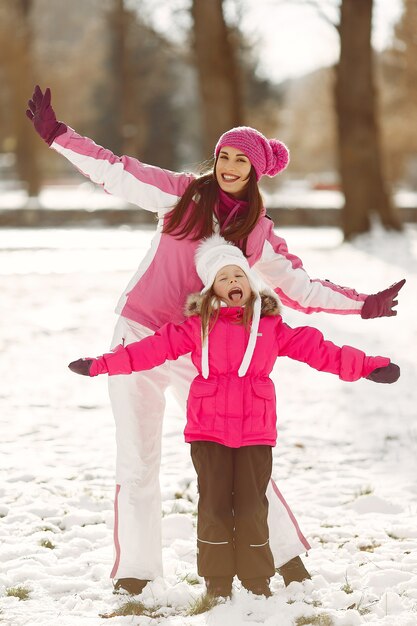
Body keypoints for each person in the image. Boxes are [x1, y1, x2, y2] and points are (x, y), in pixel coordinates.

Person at [26, 85, 405, 594]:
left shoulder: (257, 232)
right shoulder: (183, 193)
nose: (228, 165)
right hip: (140, 332)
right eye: (223, 155)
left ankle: (285, 555)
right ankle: (136, 571)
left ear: (254, 171)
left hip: (201, 347)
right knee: (136, 459)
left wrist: (363, 304)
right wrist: (58, 135)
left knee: (239, 444)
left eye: (239, 160)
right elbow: (116, 171)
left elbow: (300, 287)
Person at [68, 235, 400, 599]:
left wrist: (369, 366)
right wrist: (102, 364)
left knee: (252, 507)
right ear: (212, 290)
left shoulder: (271, 328)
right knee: (213, 507)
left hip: (255, 434)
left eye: (239, 276)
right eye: (223, 279)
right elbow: (149, 350)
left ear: (251, 285)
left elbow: (320, 350)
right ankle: (217, 582)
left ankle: (258, 581)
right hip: (208, 432)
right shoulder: (195, 328)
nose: (233, 284)